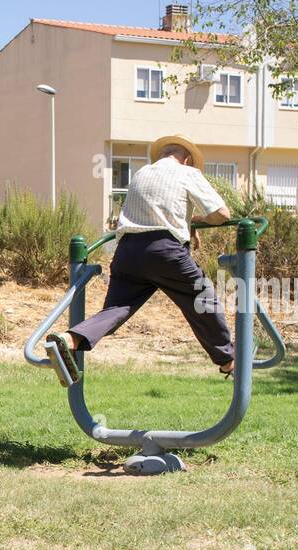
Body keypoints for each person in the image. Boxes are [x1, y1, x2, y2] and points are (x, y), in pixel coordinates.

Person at [46, 135, 235, 386]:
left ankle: (70, 339)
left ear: (162, 154)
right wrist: (197, 221)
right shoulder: (187, 173)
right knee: (202, 296)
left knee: (117, 310)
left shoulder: (141, 173)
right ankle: (227, 359)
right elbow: (221, 214)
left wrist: (188, 223)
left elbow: (156, 209)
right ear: (187, 159)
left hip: (126, 253)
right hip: (165, 251)